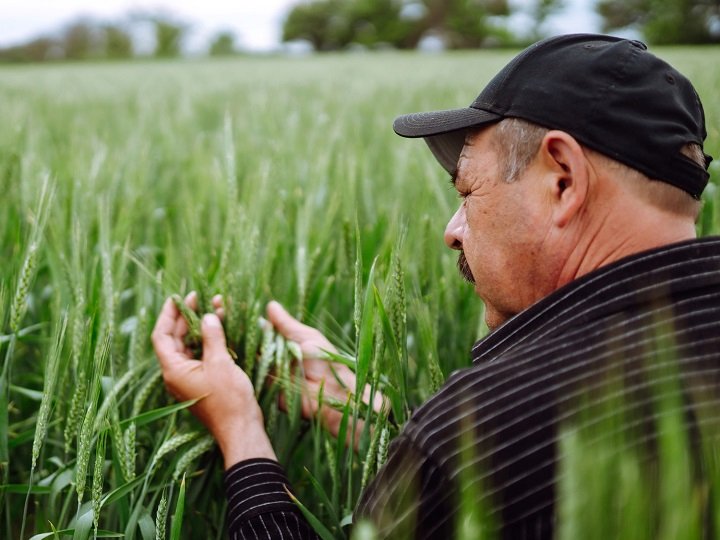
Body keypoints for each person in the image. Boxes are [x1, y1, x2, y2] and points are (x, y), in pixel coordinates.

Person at [152, 33, 720, 539]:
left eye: (467, 192)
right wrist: (374, 421)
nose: (452, 233)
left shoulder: (487, 425)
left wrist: (243, 435)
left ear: (563, 180)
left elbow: (511, 456)